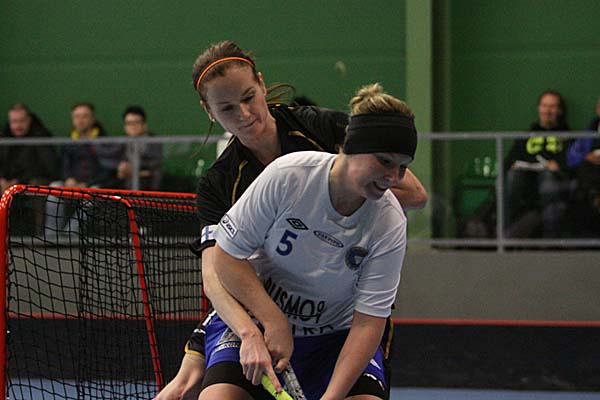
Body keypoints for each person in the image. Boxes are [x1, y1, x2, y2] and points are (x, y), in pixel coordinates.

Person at [155, 40, 427, 400]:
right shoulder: (223, 182)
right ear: (209, 111)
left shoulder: (319, 128)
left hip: (338, 314)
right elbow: (216, 272)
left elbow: (413, 194)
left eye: (249, 97)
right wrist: (240, 335)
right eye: (227, 108)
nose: (244, 114)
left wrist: (343, 194)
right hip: (262, 307)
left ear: (262, 84)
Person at [200, 82, 415, 400]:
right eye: (384, 161)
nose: (394, 178)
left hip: (336, 338)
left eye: (403, 167)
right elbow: (225, 257)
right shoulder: (288, 176)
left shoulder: (390, 222)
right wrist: (273, 320)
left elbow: (369, 323)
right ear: (352, 146)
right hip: (258, 323)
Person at [504, 90, 573, 238]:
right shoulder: (526, 135)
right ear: (539, 108)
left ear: (560, 110)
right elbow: (508, 162)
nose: (547, 110)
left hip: (553, 181)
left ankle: (550, 240)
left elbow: (573, 163)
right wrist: (514, 166)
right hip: (526, 181)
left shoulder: (568, 136)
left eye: (552, 106)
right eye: (544, 105)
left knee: (548, 177)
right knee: (512, 176)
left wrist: (559, 166)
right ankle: (506, 236)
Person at [45, 102, 121, 235]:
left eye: (85, 116)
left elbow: (108, 171)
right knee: (53, 189)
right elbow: (63, 165)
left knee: (93, 194)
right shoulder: (68, 142)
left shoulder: (105, 141)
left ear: (92, 119)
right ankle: (50, 236)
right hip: (70, 185)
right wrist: (68, 179)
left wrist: (87, 184)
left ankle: (69, 235)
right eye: (77, 116)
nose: (80, 120)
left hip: (93, 186)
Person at [0, 103, 58, 195]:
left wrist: (18, 181)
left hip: (31, 181)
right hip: (7, 183)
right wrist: (2, 179)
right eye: (14, 121)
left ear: (29, 120)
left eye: (22, 121)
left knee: (35, 185)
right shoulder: (4, 138)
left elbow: (47, 167)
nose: (18, 126)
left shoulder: (41, 137)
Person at [565, 96, 600, 236]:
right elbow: (571, 156)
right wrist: (585, 156)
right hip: (589, 179)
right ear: (598, 109)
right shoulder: (589, 131)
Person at [117, 105, 163, 190]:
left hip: (149, 189)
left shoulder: (154, 142)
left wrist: (134, 172)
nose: (132, 126)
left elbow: (154, 169)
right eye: (129, 123)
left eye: (136, 122)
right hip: (125, 189)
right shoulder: (121, 143)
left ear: (144, 125)